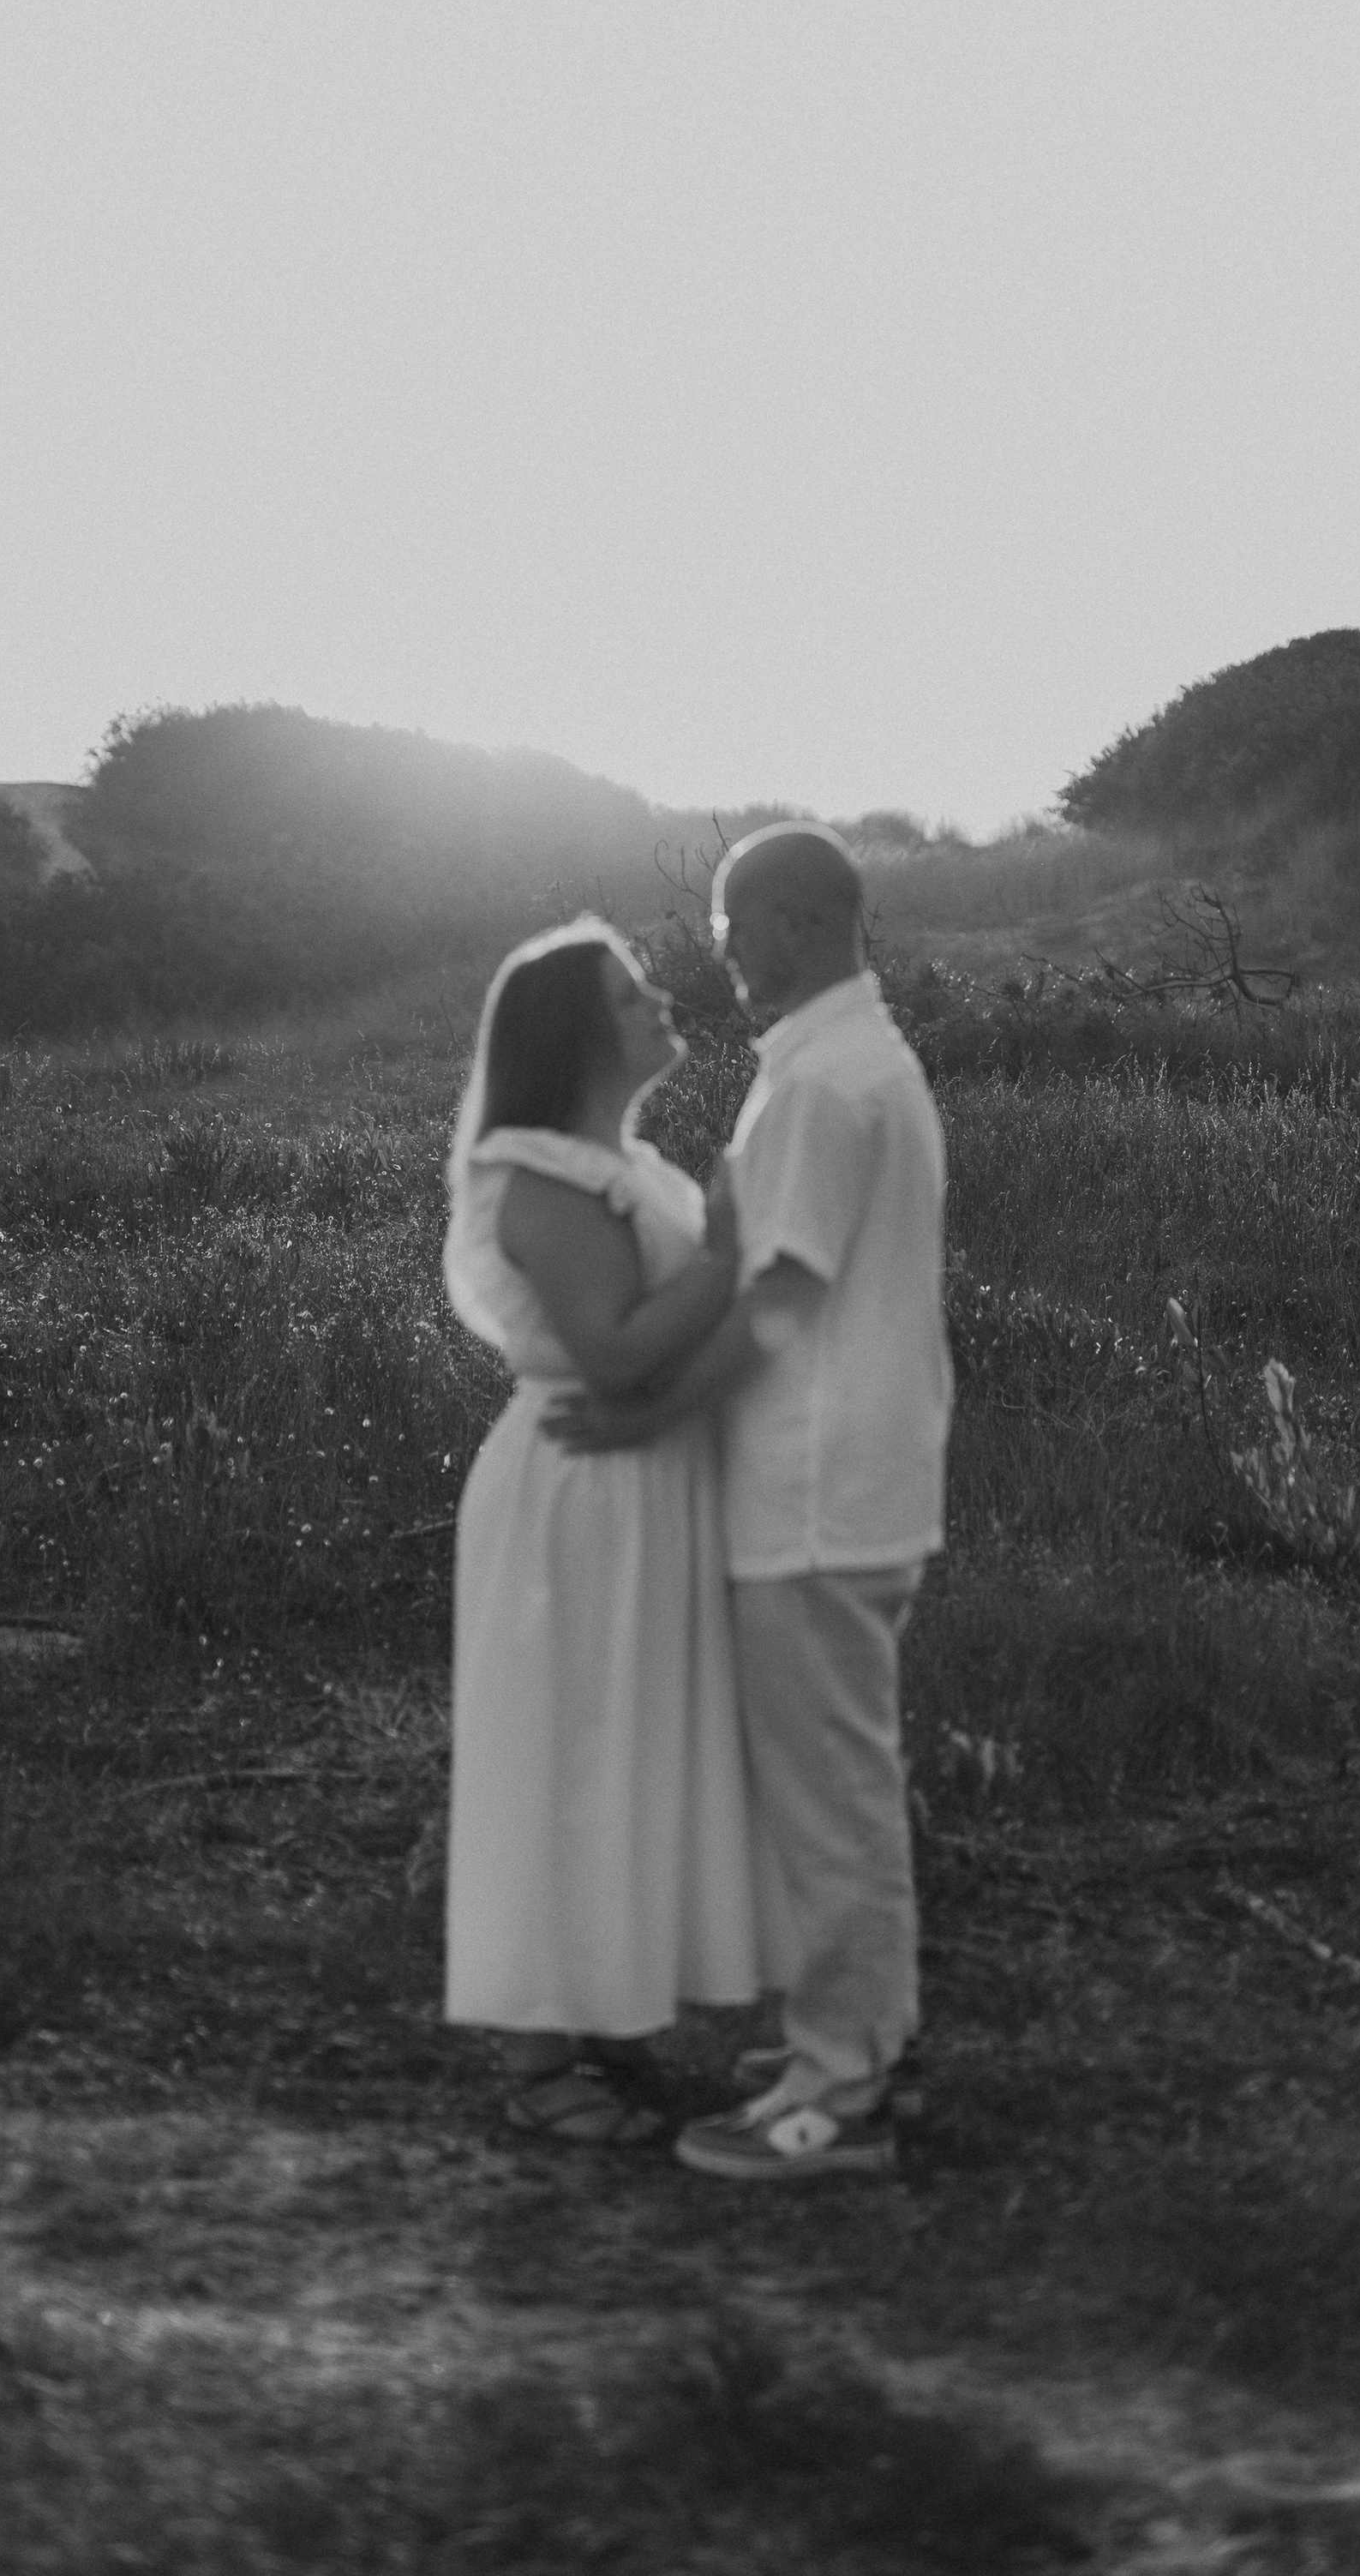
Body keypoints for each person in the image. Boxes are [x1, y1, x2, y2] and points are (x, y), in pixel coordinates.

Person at [552, 825, 950, 2182]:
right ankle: (858, 2041)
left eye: (730, 928)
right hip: (849, 1481)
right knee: (842, 1787)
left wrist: (645, 1414)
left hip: (818, 1492)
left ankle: (837, 2101)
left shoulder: (824, 1087)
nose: (718, 955)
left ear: (791, 920)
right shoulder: (848, 1064)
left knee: (831, 1802)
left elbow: (778, 1303)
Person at [440, 917, 763, 2144]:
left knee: (630, 1733)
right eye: (633, 996)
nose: (663, 1002)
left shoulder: (626, 1165)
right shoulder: (539, 1176)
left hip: (644, 1479)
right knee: (563, 1737)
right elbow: (616, 1349)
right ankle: (538, 2054)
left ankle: (612, 2013)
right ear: (576, 1034)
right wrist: (737, 1253)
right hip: (581, 1481)